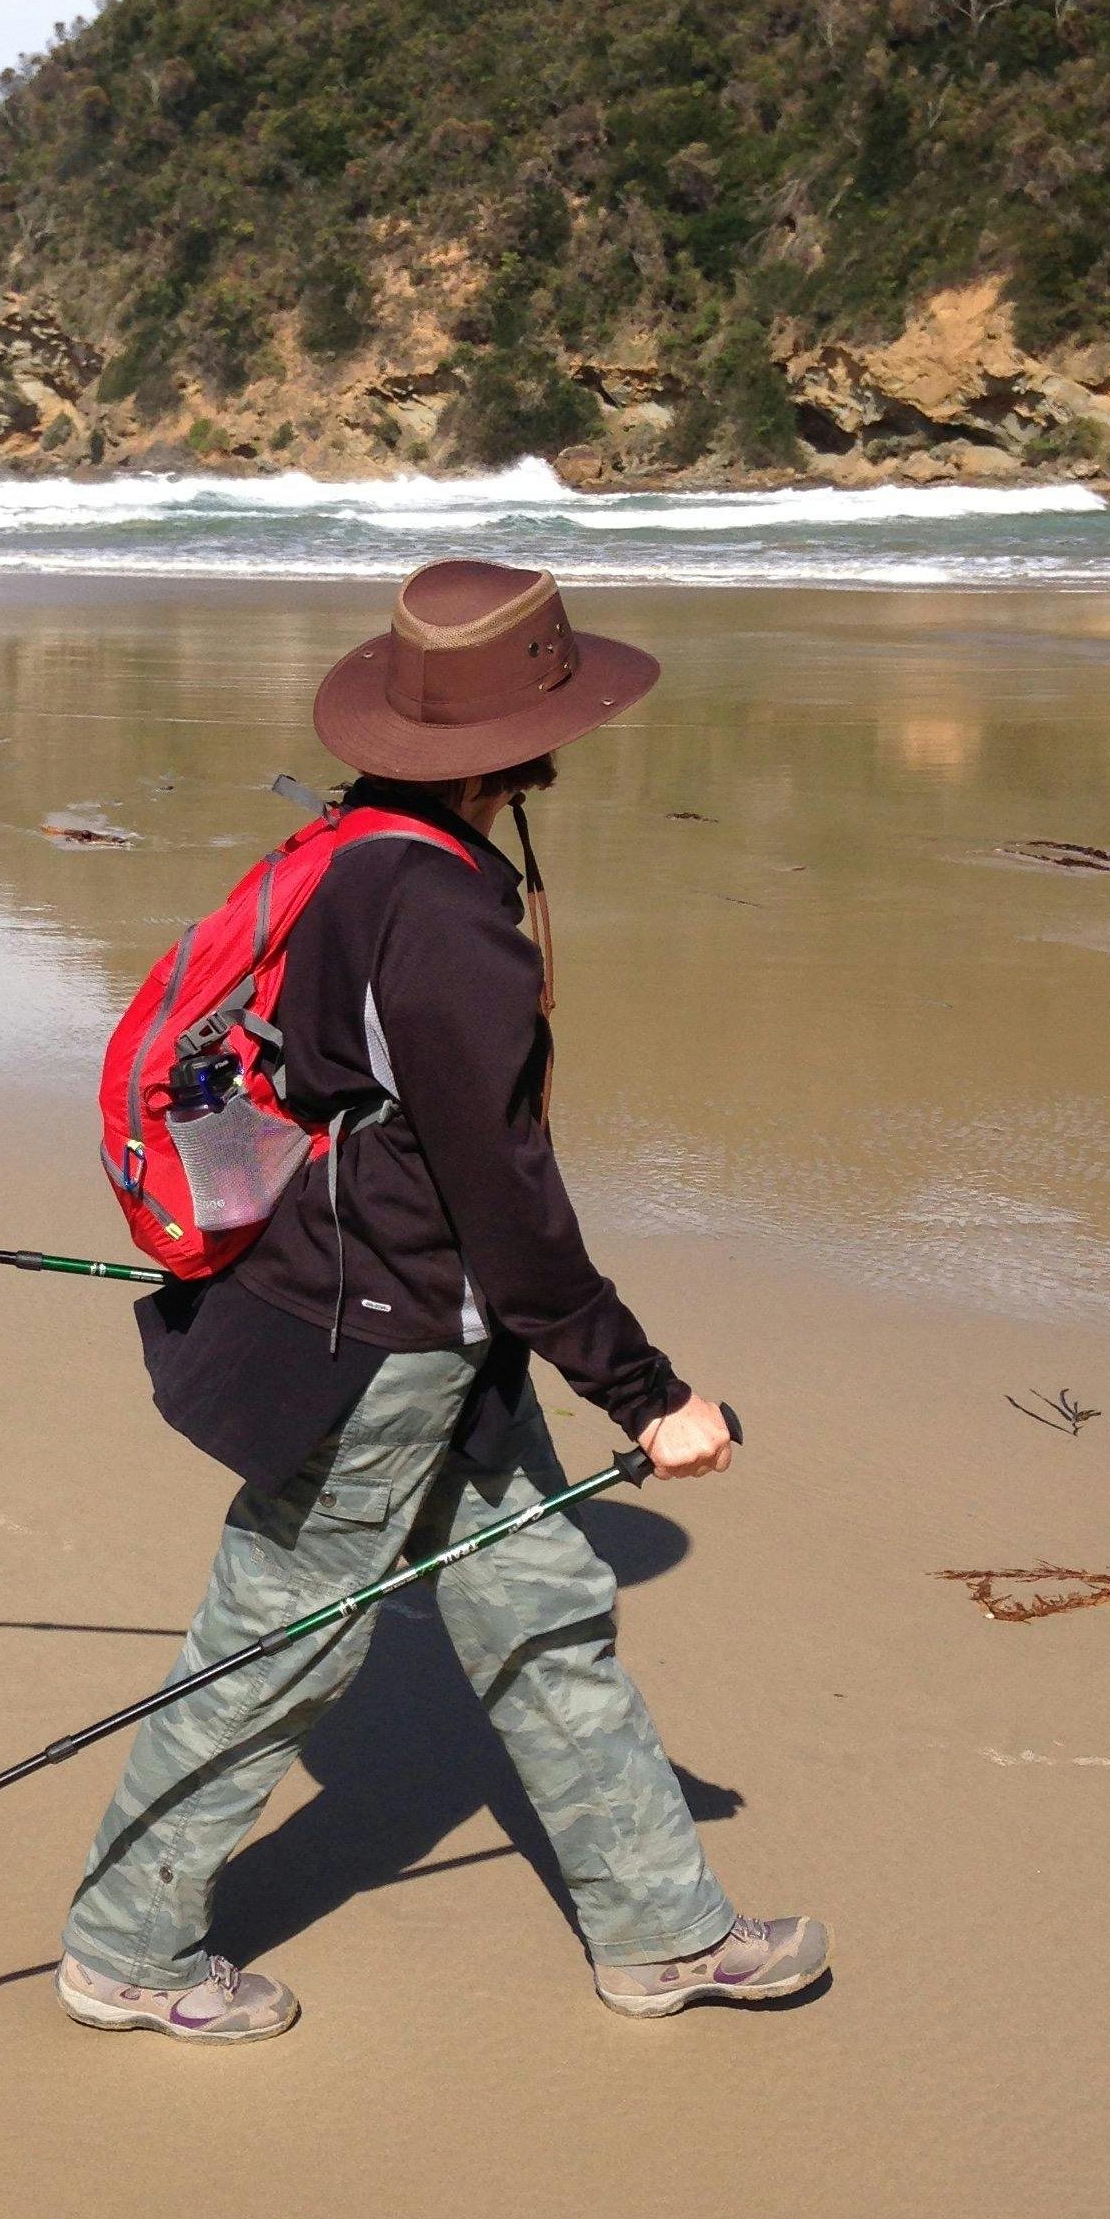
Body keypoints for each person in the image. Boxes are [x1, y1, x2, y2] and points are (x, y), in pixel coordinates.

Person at [57, 557, 828, 2042]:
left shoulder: (351, 854)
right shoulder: (448, 922)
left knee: (546, 1621)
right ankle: (125, 1950)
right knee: (271, 1652)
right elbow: (508, 1209)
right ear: (524, 745)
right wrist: (648, 1395)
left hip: (420, 1334)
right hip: (384, 1350)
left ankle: (664, 1933)